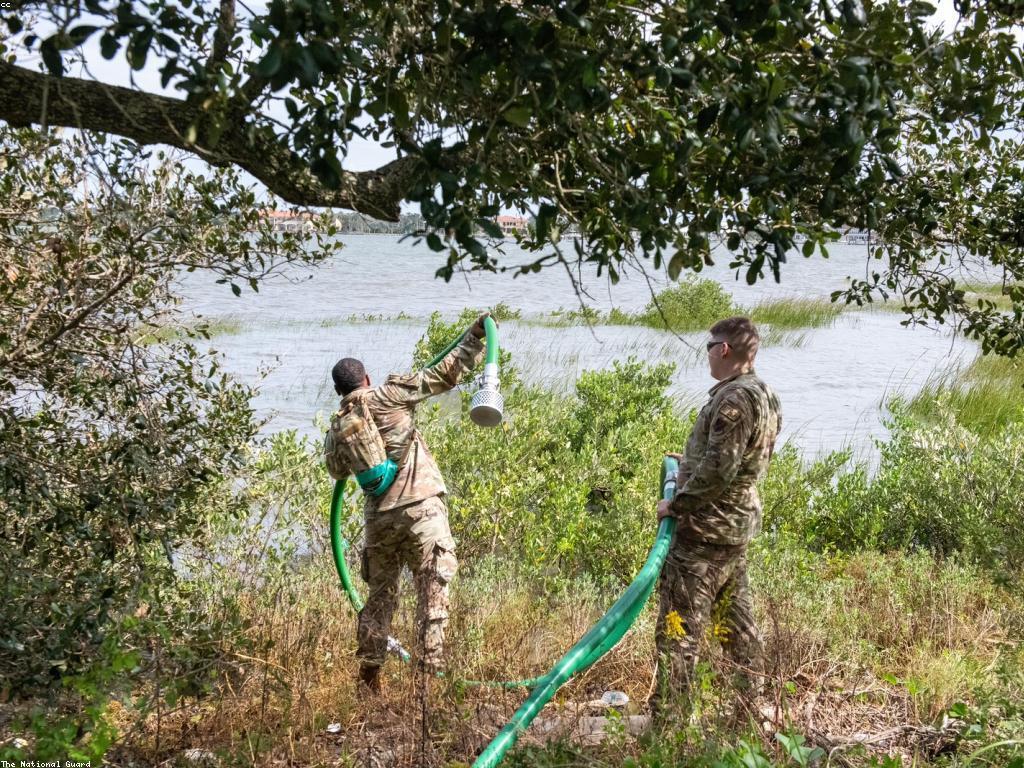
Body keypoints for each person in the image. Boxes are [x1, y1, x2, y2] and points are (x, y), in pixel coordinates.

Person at [323, 313, 492, 693]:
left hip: (379, 521)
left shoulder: (337, 427)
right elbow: (445, 375)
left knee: (379, 598)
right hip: (422, 510)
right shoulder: (389, 395)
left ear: (338, 390)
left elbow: (337, 472)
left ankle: (369, 679)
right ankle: (427, 682)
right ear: (367, 379)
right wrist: (476, 335)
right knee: (432, 591)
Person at [651, 315, 782, 718]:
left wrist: (676, 504)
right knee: (738, 628)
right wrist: (690, 461)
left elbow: (721, 469)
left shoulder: (734, 399)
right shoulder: (764, 393)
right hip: (734, 531)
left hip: (704, 533)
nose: (707, 355)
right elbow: (744, 458)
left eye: (709, 347)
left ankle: (670, 722)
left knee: (679, 632)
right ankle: (750, 712)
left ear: (723, 349)